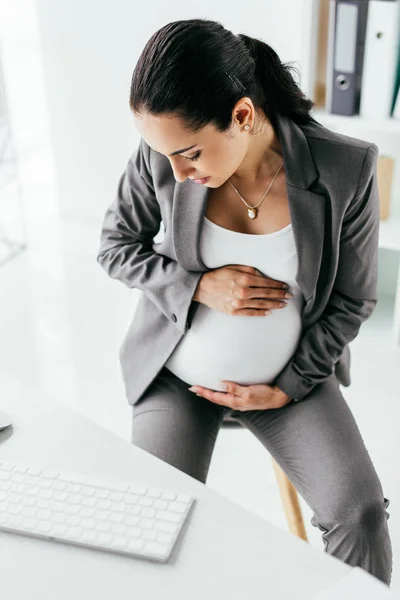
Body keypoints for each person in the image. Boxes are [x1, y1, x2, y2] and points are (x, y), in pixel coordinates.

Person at [96, 18, 393, 585]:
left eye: (190, 154)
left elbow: (354, 299)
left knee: (361, 516)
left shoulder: (345, 169)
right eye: (166, 156)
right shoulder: (163, 153)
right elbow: (115, 246)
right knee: (149, 518)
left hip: (289, 384)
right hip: (176, 379)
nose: (177, 172)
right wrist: (197, 285)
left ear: (242, 115)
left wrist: (288, 384)